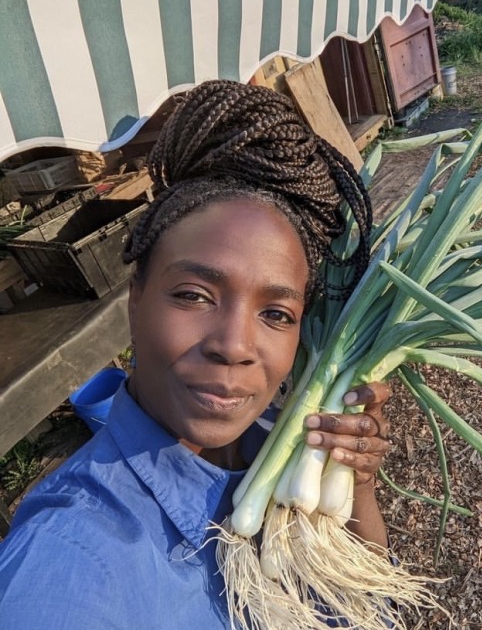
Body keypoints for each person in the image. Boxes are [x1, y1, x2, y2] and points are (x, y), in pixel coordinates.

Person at [0, 80, 392, 628]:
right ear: (134, 301)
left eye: (276, 314)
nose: (233, 346)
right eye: (193, 295)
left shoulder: (276, 435)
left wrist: (357, 482)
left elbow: (368, 608)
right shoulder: (69, 564)